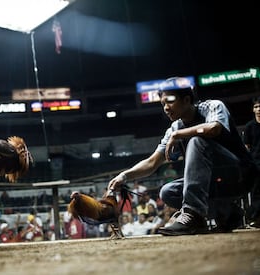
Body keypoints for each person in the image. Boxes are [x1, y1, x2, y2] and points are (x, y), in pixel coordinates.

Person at [108, 76, 257, 236]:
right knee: (168, 191)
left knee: (197, 141)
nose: (165, 108)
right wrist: (124, 176)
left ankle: (193, 215)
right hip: (213, 181)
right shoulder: (175, 128)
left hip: (240, 174)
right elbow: (152, 163)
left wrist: (179, 134)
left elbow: (214, 128)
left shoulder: (212, 106)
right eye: (163, 104)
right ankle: (228, 212)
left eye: (170, 102)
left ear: (186, 99)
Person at [242, 96, 260, 227]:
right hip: (256, 165)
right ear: (253, 109)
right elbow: (246, 148)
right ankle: (257, 219)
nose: (259, 109)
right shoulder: (249, 127)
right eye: (256, 106)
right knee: (256, 193)